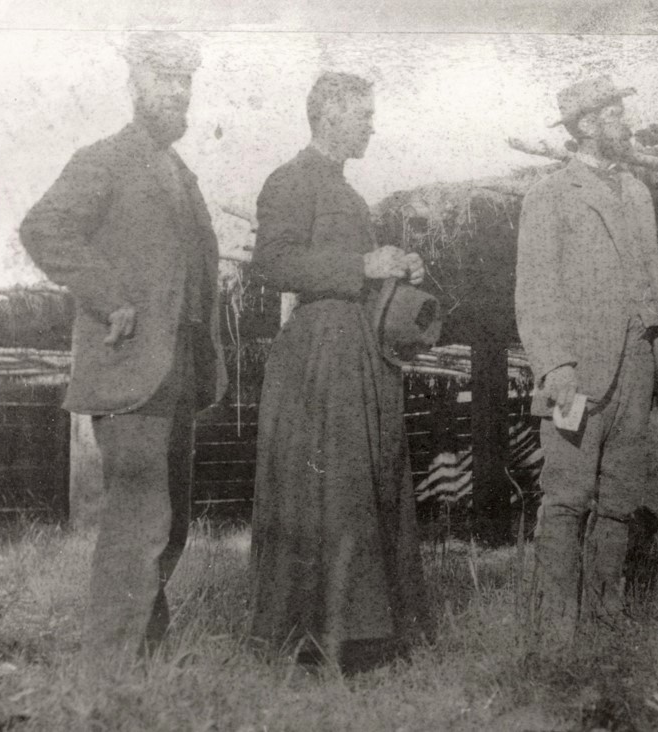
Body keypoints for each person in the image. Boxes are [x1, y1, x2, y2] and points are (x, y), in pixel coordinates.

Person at [19, 32, 227, 660]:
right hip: (130, 364)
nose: (177, 92)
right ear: (135, 86)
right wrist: (111, 298)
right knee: (138, 522)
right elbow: (43, 228)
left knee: (171, 527)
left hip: (179, 370)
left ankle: (142, 658)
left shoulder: (181, 175)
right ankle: (108, 673)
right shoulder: (104, 159)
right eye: (165, 80)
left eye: (185, 81)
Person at [514, 76, 658, 645]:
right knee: (566, 499)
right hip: (577, 377)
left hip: (638, 367)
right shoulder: (549, 194)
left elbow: (641, 275)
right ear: (586, 124)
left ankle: (605, 615)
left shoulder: (637, 193)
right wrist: (555, 367)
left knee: (618, 503)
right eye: (615, 113)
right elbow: (534, 289)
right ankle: (555, 626)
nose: (627, 123)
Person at [249, 72, 431, 673]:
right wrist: (362, 262)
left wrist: (393, 269)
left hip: (359, 351)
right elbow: (273, 263)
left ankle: (367, 634)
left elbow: (351, 268)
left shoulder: (348, 193)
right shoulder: (289, 179)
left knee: (362, 484)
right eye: (363, 115)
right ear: (328, 114)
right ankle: (321, 638)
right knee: (330, 490)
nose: (371, 125)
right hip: (319, 356)